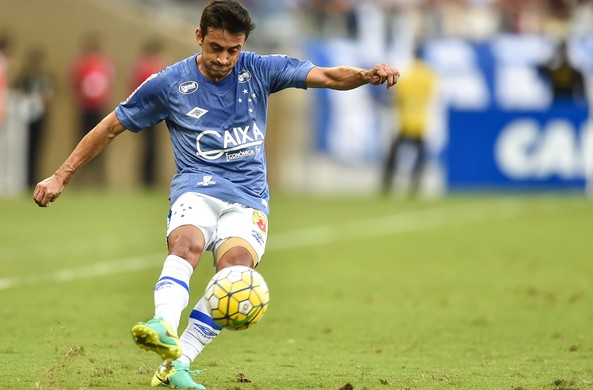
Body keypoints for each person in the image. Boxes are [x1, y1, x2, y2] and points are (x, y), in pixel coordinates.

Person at [33, 1, 399, 389]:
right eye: (216, 48)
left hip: (248, 196)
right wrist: (61, 176)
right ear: (198, 37)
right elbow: (108, 128)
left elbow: (327, 75)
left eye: (233, 50)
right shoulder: (168, 83)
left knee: (236, 273)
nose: (225, 59)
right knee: (187, 243)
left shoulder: (260, 69)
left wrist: (366, 75)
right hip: (198, 187)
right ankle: (163, 324)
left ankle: (177, 365)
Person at [381, 47, 436, 197]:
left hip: (405, 122)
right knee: (421, 157)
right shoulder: (428, 76)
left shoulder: (408, 75)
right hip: (420, 123)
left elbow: (397, 96)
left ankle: (387, 184)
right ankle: (415, 186)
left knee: (393, 155)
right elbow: (431, 96)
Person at [68, 34, 115, 185]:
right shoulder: (82, 64)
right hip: (85, 109)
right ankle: (81, 176)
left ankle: (98, 176)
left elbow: (108, 85)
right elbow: (75, 84)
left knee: (102, 140)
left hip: (99, 109)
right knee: (83, 141)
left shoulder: (104, 64)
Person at [14, 47, 56, 188]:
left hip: (40, 118)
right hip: (25, 120)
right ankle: (25, 179)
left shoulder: (45, 78)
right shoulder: (25, 78)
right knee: (25, 149)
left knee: (37, 149)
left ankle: (34, 178)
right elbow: (17, 94)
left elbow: (51, 95)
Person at [129, 39, 167, 188]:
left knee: (150, 146)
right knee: (150, 146)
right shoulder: (152, 66)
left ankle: (149, 178)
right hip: (150, 111)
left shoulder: (140, 65)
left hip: (146, 111)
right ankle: (148, 179)